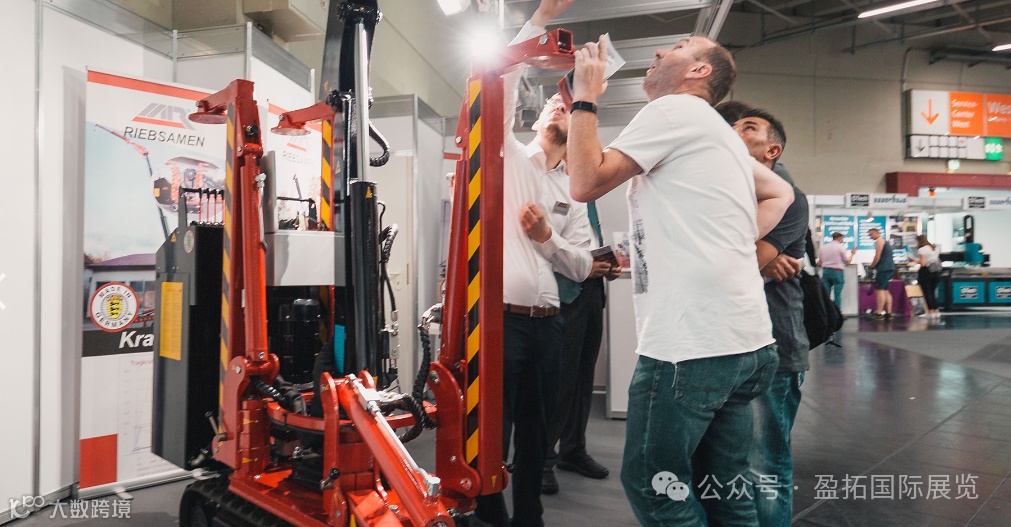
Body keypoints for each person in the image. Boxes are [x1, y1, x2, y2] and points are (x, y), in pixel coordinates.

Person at [566, 35, 795, 526]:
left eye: (676, 47)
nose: (657, 53)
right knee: (725, 485)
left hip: (692, 346)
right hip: (747, 342)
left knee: (654, 487)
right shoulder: (716, 133)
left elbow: (585, 182)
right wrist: (734, 241)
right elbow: (781, 191)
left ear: (698, 71)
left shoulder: (674, 110)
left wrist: (584, 97)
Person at [474, 1, 578, 525]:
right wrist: (538, 21)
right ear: (535, 119)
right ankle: (489, 510)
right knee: (495, 424)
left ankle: (529, 515)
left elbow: (581, 264)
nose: (558, 106)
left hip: (550, 323)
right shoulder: (509, 156)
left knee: (538, 429)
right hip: (504, 321)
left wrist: (548, 238)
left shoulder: (575, 190)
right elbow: (501, 84)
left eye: (566, 106)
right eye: (551, 104)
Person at [730, 105, 810, 527]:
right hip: (729, 344)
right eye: (732, 126)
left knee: (766, 463)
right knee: (728, 459)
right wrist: (762, 259)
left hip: (776, 349)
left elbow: (736, 264)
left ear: (771, 151)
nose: (734, 131)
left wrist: (762, 259)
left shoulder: (788, 197)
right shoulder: (730, 195)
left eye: (748, 128)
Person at [541, 198, 620, 495]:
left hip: (591, 291)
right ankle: (543, 460)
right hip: (565, 293)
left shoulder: (589, 197)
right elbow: (546, 244)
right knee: (560, 381)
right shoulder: (551, 189)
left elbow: (588, 239)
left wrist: (607, 266)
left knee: (583, 376)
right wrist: (586, 266)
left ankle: (572, 449)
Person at [817, 232, 857, 310]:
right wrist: (852, 254)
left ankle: (826, 312)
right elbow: (847, 262)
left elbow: (819, 262)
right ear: (839, 238)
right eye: (842, 238)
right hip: (837, 272)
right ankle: (837, 312)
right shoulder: (840, 248)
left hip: (826, 271)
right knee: (837, 294)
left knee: (826, 294)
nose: (842, 240)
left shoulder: (823, 248)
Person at [867, 227, 895, 319]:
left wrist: (871, 266)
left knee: (880, 290)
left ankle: (879, 313)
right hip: (890, 268)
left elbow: (877, 256)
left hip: (883, 268)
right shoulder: (885, 241)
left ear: (877, 233)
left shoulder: (879, 241)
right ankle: (889, 313)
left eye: (871, 234)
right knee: (885, 290)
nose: (870, 236)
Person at [913, 234, 942, 318]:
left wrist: (914, 260)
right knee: (932, 292)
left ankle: (930, 311)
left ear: (919, 241)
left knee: (927, 292)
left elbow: (923, 263)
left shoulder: (921, 250)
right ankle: (936, 311)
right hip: (936, 271)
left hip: (926, 272)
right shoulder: (935, 248)